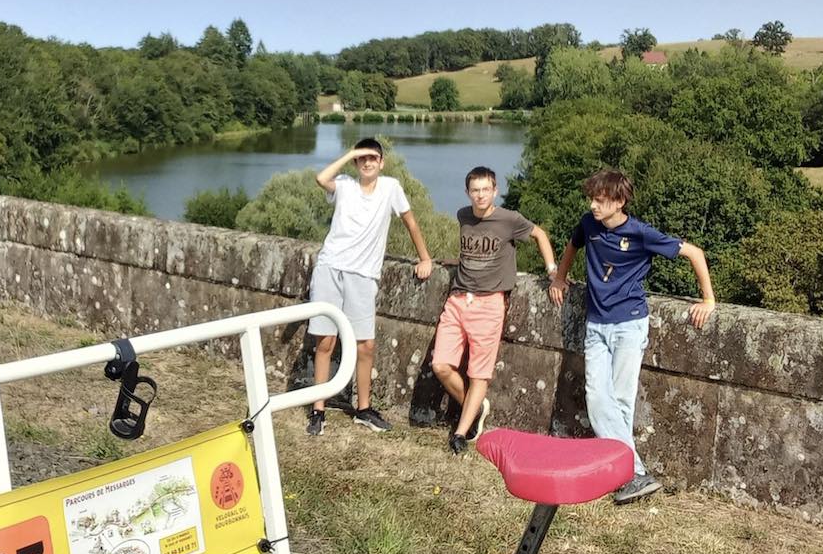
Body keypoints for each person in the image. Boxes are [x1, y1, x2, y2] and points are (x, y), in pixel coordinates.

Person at [549, 169, 715, 504]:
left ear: (620, 201)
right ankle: (635, 473)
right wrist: (559, 278)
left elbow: (695, 253)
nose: (593, 205)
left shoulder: (640, 233)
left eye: (601, 200)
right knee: (598, 399)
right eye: (592, 198)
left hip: (629, 325)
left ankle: (620, 474)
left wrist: (708, 299)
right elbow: (572, 245)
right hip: (597, 326)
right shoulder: (589, 224)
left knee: (621, 402)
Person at [306, 138, 434, 436]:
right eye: (362, 158)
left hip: (363, 276)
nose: (367, 162)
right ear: (355, 162)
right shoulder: (344, 185)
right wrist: (350, 152)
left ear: (382, 162)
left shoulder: (391, 187)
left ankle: (363, 409)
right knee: (325, 342)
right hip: (330, 268)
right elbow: (320, 178)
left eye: (372, 157)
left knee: (365, 345)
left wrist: (425, 257)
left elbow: (411, 223)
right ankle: (318, 410)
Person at [432, 166, 557, 455]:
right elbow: (473, 251)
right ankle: (474, 408)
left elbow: (540, 234)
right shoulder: (463, 215)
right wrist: (457, 262)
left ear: (495, 191)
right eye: (475, 190)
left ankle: (461, 433)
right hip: (458, 300)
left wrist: (552, 271)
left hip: (489, 304)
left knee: (479, 374)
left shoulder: (509, 219)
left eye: (485, 189)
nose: (480, 195)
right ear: (467, 193)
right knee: (441, 366)